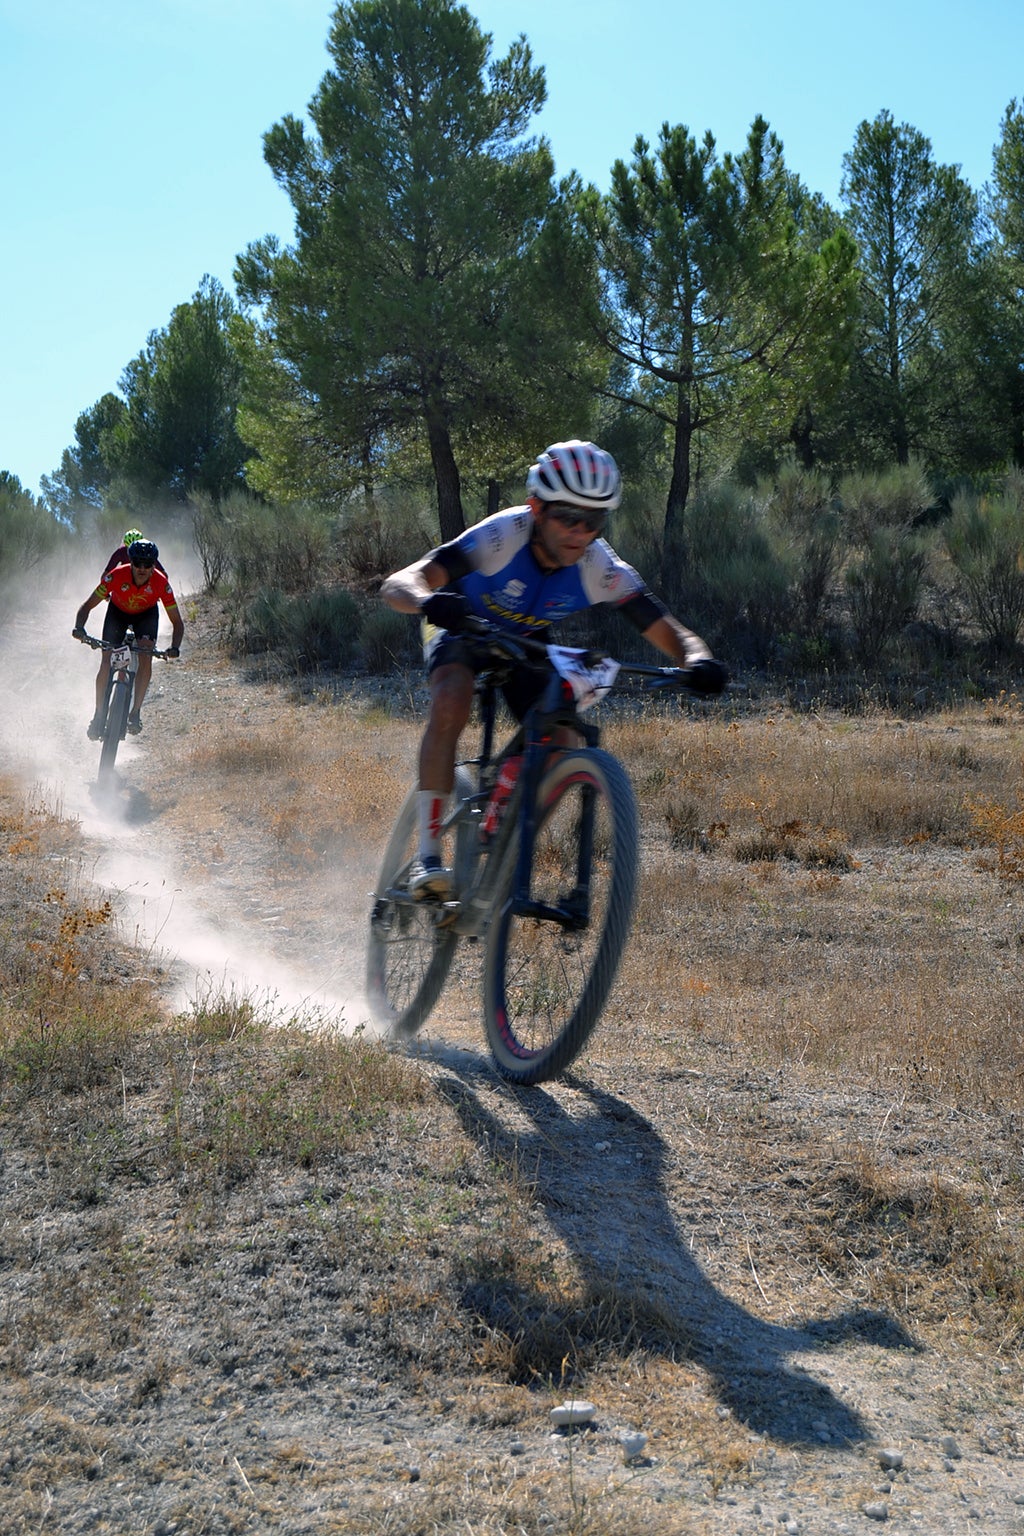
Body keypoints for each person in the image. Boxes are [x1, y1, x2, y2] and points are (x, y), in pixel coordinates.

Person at [380, 438, 727, 901]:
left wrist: (698, 661)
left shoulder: (599, 567)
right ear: (537, 508)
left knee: (562, 739)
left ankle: (504, 841)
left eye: (594, 520)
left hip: (525, 639)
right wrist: (428, 600)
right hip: (459, 621)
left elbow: (674, 633)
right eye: (567, 516)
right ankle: (428, 857)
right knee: (451, 699)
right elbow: (400, 583)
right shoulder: (502, 536)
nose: (580, 532)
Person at [73, 539, 184, 739]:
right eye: (138, 563)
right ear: (130, 562)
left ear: (153, 565)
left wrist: (174, 647)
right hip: (118, 613)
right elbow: (88, 605)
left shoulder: (161, 584)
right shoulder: (116, 576)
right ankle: (98, 715)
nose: (142, 568)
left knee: (146, 656)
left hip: (146, 616)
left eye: (147, 564)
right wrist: (79, 627)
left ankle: (135, 712)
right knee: (106, 660)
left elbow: (177, 622)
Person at [103, 527, 167, 578]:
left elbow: (163, 574)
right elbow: (106, 573)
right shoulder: (121, 552)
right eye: (128, 550)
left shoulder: (147, 553)